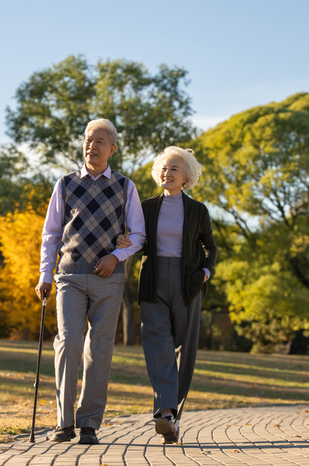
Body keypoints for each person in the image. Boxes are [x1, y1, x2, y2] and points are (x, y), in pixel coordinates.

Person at [35, 118, 145, 445]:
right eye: (87, 139)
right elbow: (51, 233)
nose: (91, 146)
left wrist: (116, 257)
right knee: (68, 343)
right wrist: (45, 274)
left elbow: (138, 234)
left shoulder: (125, 186)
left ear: (112, 148)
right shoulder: (66, 184)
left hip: (108, 279)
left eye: (99, 141)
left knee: (98, 349)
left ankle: (88, 424)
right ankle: (63, 422)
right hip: (68, 275)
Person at [117, 146, 217, 444]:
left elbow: (210, 248)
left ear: (186, 176)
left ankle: (172, 415)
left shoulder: (198, 210)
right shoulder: (145, 206)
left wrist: (204, 274)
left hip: (188, 286)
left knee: (184, 351)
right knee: (157, 343)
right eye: (163, 167)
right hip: (153, 281)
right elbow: (137, 240)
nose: (167, 172)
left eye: (174, 168)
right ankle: (166, 414)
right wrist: (126, 241)